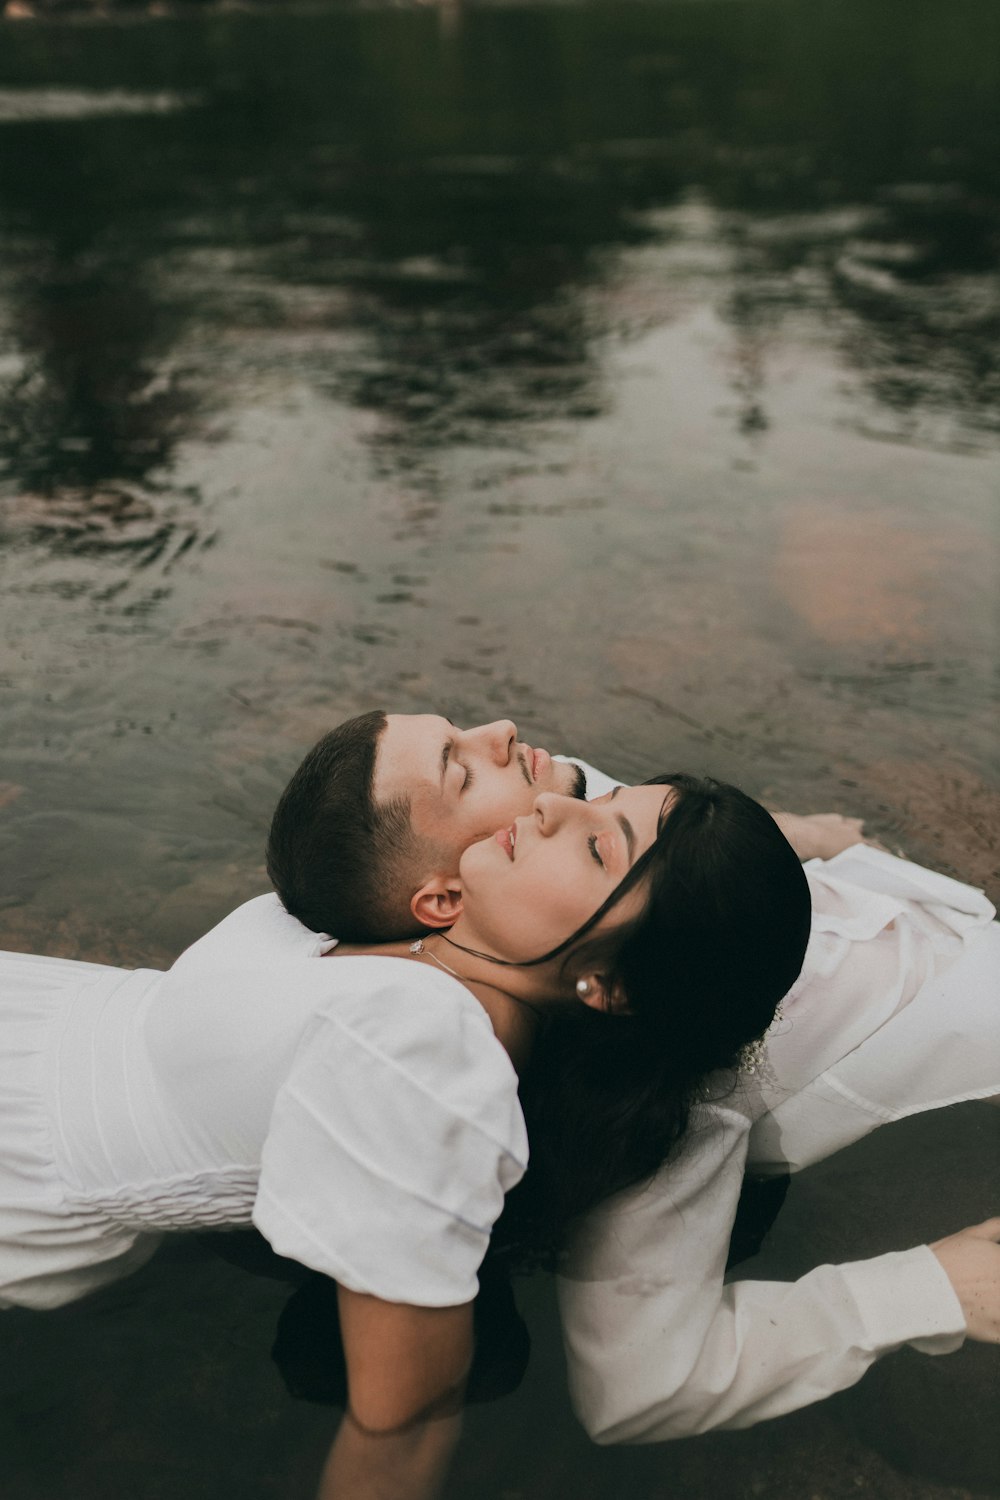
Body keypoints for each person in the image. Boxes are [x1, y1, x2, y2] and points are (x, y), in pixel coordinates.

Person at [0, 768, 811, 1500]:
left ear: (612, 986)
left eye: (598, 843)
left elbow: (405, 1418)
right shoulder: (442, 928)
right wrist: (806, 838)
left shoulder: (429, 1060)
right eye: (596, 797)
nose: (556, 801)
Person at [233, 709, 1000, 1442]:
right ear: (445, 896)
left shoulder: (547, 873)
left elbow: (625, 817)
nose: (551, 803)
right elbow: (641, 1388)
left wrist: (794, 838)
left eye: (601, 812)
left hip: (898, 914)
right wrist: (930, 1288)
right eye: (463, 780)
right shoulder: (668, 1111)